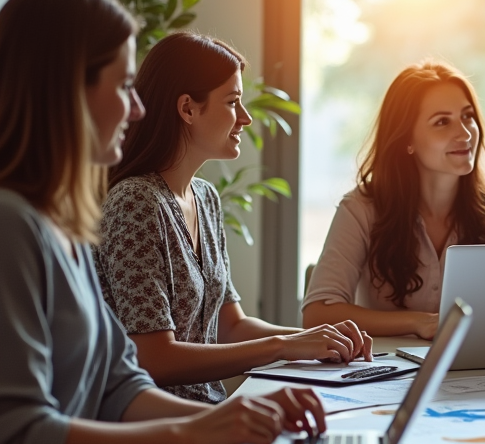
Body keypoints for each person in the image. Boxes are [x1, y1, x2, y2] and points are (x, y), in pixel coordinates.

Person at [0, 0, 328, 444]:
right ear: (65, 92)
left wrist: (219, 426)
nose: (137, 110)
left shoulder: (62, 221)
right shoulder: (0, 223)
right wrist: (192, 431)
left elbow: (119, 385)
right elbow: (20, 441)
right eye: (123, 87)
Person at [95, 32, 370, 407]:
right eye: (233, 102)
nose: (246, 118)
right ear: (188, 109)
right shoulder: (135, 202)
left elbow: (232, 326)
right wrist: (284, 346)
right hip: (158, 431)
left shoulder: (205, 198)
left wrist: (324, 339)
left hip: (209, 414)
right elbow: (153, 357)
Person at [302, 60, 485, 339]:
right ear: (406, 139)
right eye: (442, 122)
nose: (465, 133)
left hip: (482, 371)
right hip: (385, 374)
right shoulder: (361, 209)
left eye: (467, 116)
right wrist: (417, 322)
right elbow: (317, 315)